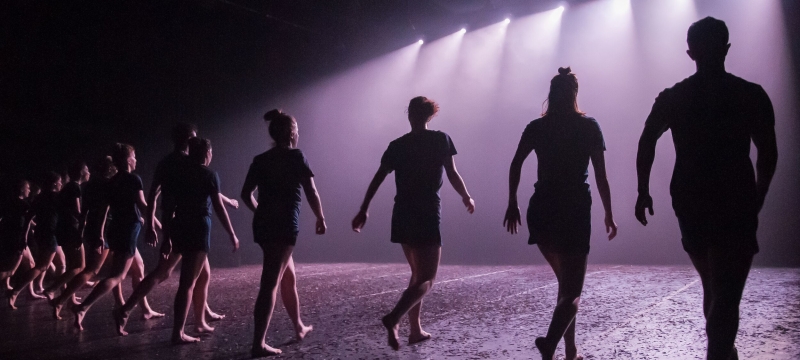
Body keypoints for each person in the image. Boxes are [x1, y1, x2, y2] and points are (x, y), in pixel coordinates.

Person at [635, 17, 777, 360]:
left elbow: (647, 142)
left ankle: (723, 350)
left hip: (691, 199)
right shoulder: (750, 95)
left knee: (714, 286)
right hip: (736, 198)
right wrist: (758, 195)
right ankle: (721, 351)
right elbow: (768, 152)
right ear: (726, 49)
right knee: (726, 291)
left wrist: (643, 190)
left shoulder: (674, 97)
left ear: (690, 52)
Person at [504, 67, 617, 360]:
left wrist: (512, 202)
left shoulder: (536, 127)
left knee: (566, 288)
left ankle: (570, 351)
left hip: (541, 208)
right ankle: (551, 344)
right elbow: (600, 176)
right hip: (574, 208)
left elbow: (516, 164)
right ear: (574, 94)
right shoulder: (589, 126)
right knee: (572, 291)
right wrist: (609, 213)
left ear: (550, 95)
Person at [352, 97, 475, 351]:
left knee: (417, 274)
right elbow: (452, 172)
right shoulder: (440, 139)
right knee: (427, 279)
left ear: (409, 115)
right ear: (430, 116)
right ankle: (394, 317)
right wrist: (466, 195)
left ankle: (415, 330)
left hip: (402, 212)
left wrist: (364, 208)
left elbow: (378, 177)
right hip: (426, 211)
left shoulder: (397, 145)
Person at [114, 123, 236, 336]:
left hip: (176, 222)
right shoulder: (186, 163)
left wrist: (154, 225)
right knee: (171, 275)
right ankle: (131, 311)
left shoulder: (166, 163)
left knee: (197, 274)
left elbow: (154, 196)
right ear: (189, 140)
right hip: (192, 225)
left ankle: (200, 318)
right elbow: (205, 184)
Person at [242, 109, 324, 357]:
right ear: (291, 133)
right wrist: (320, 217)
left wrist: (259, 212)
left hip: (265, 224)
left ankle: (298, 326)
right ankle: (258, 344)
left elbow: (246, 194)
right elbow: (311, 190)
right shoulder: (296, 156)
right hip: (284, 224)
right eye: (296, 130)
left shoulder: (260, 160)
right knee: (269, 283)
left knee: (288, 277)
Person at [50, 157, 163, 320]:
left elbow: (87, 212)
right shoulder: (109, 185)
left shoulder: (92, 186)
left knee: (135, 267)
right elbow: (103, 211)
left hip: (108, 231)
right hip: (110, 232)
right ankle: (68, 302)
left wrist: (84, 232)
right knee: (98, 271)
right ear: (112, 169)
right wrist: (99, 234)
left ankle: (138, 307)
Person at [169, 137, 239, 344]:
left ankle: (199, 322)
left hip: (181, 225)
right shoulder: (208, 174)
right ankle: (178, 332)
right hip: (198, 227)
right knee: (187, 282)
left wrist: (167, 235)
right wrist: (232, 233)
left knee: (201, 275)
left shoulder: (180, 175)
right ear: (206, 153)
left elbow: (170, 205)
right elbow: (218, 206)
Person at [71, 143, 148, 331]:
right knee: (117, 275)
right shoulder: (134, 179)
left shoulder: (111, 183)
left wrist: (99, 233)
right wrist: (159, 226)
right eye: (134, 156)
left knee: (138, 267)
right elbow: (143, 205)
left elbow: (104, 211)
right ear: (129, 160)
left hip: (116, 230)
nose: (136, 159)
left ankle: (140, 309)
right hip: (129, 229)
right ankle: (84, 307)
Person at [8, 172, 62, 309]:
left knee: (55, 264)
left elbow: (28, 218)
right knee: (42, 266)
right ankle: (15, 291)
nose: (61, 184)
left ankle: (65, 294)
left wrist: (25, 236)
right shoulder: (55, 197)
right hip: (50, 234)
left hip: (41, 234)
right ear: (55, 184)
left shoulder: (39, 198)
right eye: (60, 182)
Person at [43, 161, 89, 302]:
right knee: (80, 266)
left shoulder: (68, 187)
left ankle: (70, 297)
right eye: (87, 170)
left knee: (71, 265)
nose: (89, 172)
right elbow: (77, 211)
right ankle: (51, 289)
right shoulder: (75, 187)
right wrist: (87, 218)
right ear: (81, 172)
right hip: (71, 230)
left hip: (64, 229)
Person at [0, 180, 33, 289]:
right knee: (10, 269)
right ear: (22, 189)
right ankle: (21, 291)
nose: (29, 190)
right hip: (18, 238)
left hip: (9, 236)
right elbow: (28, 221)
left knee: (29, 264)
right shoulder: (23, 204)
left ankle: (27, 292)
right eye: (27, 188)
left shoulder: (9, 202)